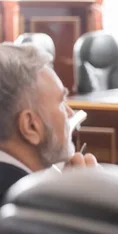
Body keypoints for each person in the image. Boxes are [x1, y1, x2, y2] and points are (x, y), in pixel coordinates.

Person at [0, 44, 98, 201]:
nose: (70, 113)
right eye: (61, 102)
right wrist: (87, 202)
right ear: (31, 126)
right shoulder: (33, 203)